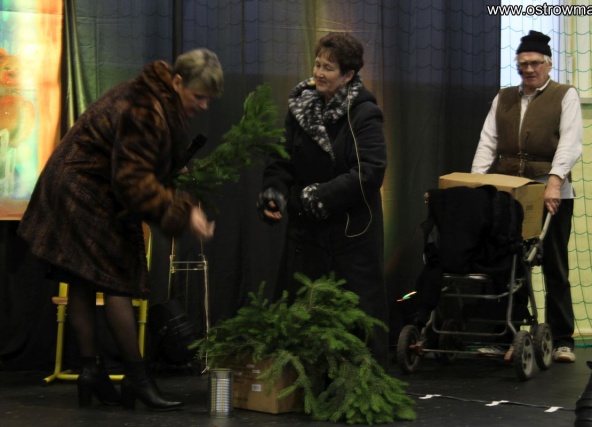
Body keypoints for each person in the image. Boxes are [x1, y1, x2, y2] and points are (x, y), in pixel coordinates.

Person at [17, 48, 222, 409]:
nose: (204, 106)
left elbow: (134, 159)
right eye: (199, 96)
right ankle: (137, 379)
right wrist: (182, 211)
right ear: (177, 82)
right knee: (117, 279)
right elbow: (132, 180)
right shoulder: (146, 109)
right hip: (83, 190)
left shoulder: (152, 98)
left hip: (76, 183)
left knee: (81, 279)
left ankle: (91, 372)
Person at [256, 32, 389, 367]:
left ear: (348, 75)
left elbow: (370, 172)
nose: (318, 72)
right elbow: (281, 160)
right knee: (300, 313)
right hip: (307, 233)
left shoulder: (364, 113)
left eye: (328, 68)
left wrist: (319, 196)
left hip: (350, 236)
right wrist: (274, 192)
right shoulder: (301, 107)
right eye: (317, 64)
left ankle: (358, 382)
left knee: (356, 321)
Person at [471, 30, 583, 363]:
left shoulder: (565, 95)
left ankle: (562, 339)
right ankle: (505, 335)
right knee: (508, 262)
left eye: (534, 63)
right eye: (523, 64)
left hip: (551, 191)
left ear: (548, 64)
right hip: (510, 191)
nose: (528, 69)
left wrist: (554, 182)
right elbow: (487, 143)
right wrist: (476, 185)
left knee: (554, 265)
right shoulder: (503, 97)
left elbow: (570, 143)